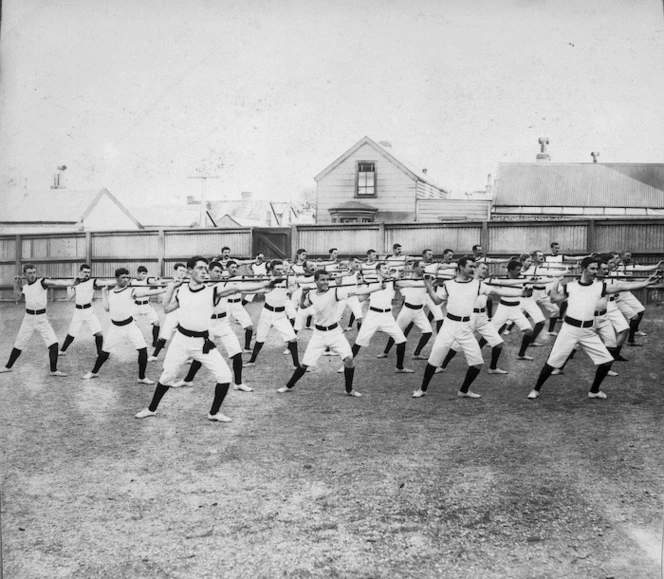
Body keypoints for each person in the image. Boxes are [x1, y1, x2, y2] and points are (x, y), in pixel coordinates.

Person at [135, 256, 276, 421]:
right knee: (167, 377)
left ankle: (214, 413)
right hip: (181, 340)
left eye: (205, 268)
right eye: (200, 268)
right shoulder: (182, 290)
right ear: (189, 271)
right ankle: (151, 409)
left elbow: (237, 287)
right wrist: (171, 287)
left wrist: (265, 285)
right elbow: (166, 308)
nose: (204, 272)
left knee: (224, 377)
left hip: (202, 342)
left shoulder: (212, 292)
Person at [527, 256, 660, 400]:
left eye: (597, 268)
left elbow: (621, 286)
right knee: (551, 363)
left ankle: (594, 391)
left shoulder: (600, 287)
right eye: (592, 268)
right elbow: (554, 299)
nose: (595, 271)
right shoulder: (570, 286)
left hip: (588, 331)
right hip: (569, 330)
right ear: (584, 270)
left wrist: (644, 283)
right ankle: (536, 389)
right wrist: (555, 282)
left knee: (607, 361)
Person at [412, 256, 524, 399]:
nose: (473, 269)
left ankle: (464, 390)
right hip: (449, 326)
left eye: (473, 267)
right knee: (434, 361)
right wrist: (429, 287)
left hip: (465, 327)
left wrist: (521, 293)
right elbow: (436, 300)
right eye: (470, 266)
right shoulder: (448, 284)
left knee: (477, 363)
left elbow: (498, 293)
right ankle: (422, 389)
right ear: (461, 267)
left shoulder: (477, 284)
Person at [277, 269, 387, 396]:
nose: (325, 282)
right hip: (318, 335)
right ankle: (288, 385)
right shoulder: (312, 294)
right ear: (316, 281)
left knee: (349, 359)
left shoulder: (335, 291)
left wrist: (378, 287)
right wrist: (303, 294)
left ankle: (349, 389)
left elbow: (357, 291)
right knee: (305, 364)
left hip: (335, 333)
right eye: (322, 280)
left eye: (327, 280)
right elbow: (302, 306)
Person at [171, 261, 274, 392]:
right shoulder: (200, 285)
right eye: (216, 271)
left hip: (223, 324)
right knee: (202, 354)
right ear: (209, 271)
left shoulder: (225, 284)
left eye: (220, 272)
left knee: (237, 353)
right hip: (207, 326)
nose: (219, 274)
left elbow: (242, 287)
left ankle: (238, 383)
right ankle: (188, 380)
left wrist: (264, 288)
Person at [82, 268, 165, 383]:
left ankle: (142, 377)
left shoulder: (131, 291)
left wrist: (165, 289)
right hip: (115, 328)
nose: (126, 280)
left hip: (130, 326)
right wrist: (103, 292)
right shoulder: (111, 292)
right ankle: (94, 372)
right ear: (117, 279)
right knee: (105, 352)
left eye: (127, 277)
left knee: (142, 349)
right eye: (123, 277)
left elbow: (147, 292)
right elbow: (106, 308)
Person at [337, 262, 416, 373]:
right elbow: (361, 298)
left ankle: (399, 367)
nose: (387, 270)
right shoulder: (371, 283)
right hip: (373, 316)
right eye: (384, 268)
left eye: (388, 268)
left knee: (401, 340)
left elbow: (408, 284)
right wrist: (354, 292)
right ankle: (345, 365)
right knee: (359, 341)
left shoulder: (393, 282)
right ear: (378, 271)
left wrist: (424, 283)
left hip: (388, 316)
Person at [438, 261, 509, 375]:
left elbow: (501, 287)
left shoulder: (485, 283)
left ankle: (493, 367)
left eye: (486, 269)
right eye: (483, 268)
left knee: (498, 343)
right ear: (475, 269)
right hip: (469, 317)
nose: (485, 271)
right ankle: (442, 365)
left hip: (482, 317)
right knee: (457, 345)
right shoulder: (470, 282)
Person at [0, 263, 70, 376]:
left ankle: (54, 370)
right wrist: (15, 283)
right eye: (29, 273)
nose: (32, 275)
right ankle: (8, 366)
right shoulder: (26, 288)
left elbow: (55, 283)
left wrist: (71, 283)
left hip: (42, 319)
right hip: (28, 319)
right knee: (19, 343)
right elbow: (17, 297)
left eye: (34, 272)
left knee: (54, 344)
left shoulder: (42, 282)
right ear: (24, 274)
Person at [245, 260, 300, 368]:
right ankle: (252, 361)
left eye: (281, 269)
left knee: (292, 338)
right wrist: (261, 281)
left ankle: (296, 364)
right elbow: (260, 294)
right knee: (260, 338)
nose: (280, 271)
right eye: (277, 269)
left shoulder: (287, 278)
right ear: (271, 269)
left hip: (280, 314)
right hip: (267, 313)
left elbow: (301, 280)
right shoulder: (266, 279)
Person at [377, 260, 434, 360]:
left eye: (424, 267)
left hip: (419, 312)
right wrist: (397, 275)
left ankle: (416, 353)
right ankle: (385, 351)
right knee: (396, 331)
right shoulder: (407, 280)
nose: (423, 269)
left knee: (428, 332)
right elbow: (397, 283)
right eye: (421, 267)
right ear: (414, 268)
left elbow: (436, 283)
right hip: (407, 310)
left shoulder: (426, 280)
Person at [59, 264, 108, 356]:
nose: (87, 274)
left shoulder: (93, 281)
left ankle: (99, 353)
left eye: (88, 272)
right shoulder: (76, 282)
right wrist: (71, 284)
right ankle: (62, 350)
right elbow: (69, 296)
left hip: (89, 310)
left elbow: (102, 283)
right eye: (85, 272)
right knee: (71, 332)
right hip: (78, 311)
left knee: (99, 332)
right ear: (80, 272)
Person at [150, 262, 187, 359]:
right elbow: (162, 298)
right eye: (180, 270)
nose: (182, 273)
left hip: (185, 312)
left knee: (188, 333)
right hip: (173, 311)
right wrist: (159, 285)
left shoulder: (188, 283)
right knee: (165, 333)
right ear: (175, 271)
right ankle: (154, 355)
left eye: (184, 271)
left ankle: (190, 357)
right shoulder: (170, 284)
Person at [133, 265, 165, 347]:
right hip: (136, 306)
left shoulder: (147, 280)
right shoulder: (132, 282)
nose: (145, 275)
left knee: (157, 323)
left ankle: (155, 343)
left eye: (146, 274)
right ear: (138, 273)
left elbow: (152, 280)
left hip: (147, 305)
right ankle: (138, 340)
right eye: (143, 274)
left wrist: (156, 280)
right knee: (131, 324)